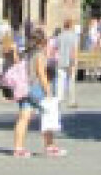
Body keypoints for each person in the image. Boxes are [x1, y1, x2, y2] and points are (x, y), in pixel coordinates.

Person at [13, 27, 66, 158]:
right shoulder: (39, 55)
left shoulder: (27, 54)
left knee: (23, 118)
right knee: (48, 115)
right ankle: (50, 146)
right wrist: (48, 91)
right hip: (36, 89)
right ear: (43, 42)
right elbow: (41, 74)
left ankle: (18, 148)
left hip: (24, 88)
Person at [56, 19, 78, 108]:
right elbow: (74, 50)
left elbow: (57, 48)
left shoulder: (59, 36)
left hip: (61, 61)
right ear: (71, 26)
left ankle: (59, 99)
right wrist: (74, 62)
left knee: (60, 81)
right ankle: (71, 101)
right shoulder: (74, 36)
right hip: (70, 61)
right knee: (70, 81)